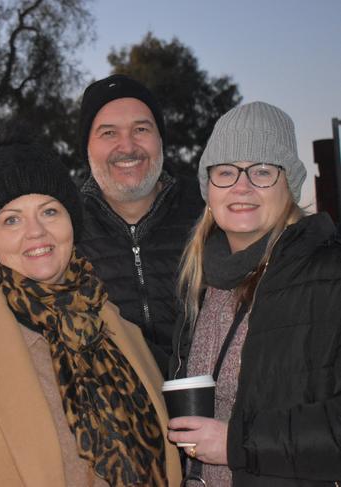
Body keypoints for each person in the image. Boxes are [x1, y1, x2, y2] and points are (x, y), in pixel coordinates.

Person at [0, 134, 181, 486]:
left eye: (49, 211)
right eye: (12, 219)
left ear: (72, 223)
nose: (36, 232)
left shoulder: (119, 329)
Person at [167, 102, 341, 486]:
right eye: (226, 171)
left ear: (289, 186)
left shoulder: (329, 275)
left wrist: (236, 443)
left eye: (262, 171)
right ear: (208, 188)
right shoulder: (198, 285)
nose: (241, 186)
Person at [75, 74, 203, 375]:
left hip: (209, 410)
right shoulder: (64, 230)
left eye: (141, 129)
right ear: (87, 147)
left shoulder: (209, 212)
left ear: (160, 139)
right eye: (108, 133)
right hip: (114, 415)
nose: (127, 146)